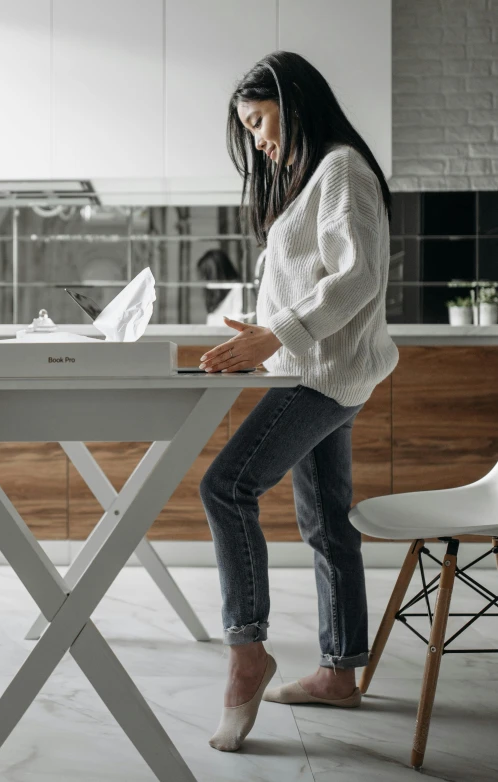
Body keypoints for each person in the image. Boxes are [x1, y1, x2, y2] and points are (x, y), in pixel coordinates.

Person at [198, 50, 399, 752]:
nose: (257, 139)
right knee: (326, 523)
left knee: (226, 487)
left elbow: (357, 279)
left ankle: (247, 653)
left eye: (259, 120)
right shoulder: (316, 173)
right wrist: (263, 336)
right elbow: (319, 279)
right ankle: (340, 672)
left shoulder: (340, 166)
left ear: (293, 101)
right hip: (321, 371)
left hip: (321, 374)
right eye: (248, 128)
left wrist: (273, 337)